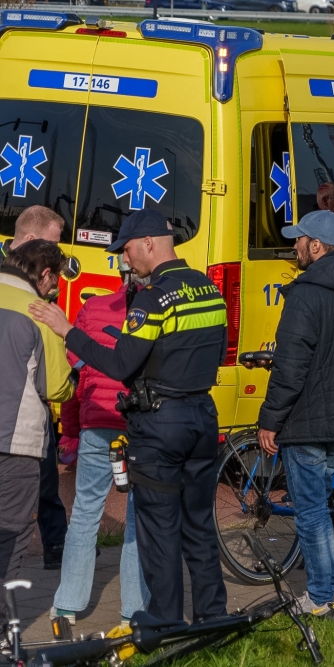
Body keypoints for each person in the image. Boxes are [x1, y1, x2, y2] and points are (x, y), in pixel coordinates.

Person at [30, 209, 229, 624]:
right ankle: (213, 617)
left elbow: (120, 364)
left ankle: (162, 623)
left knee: (155, 530)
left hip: (161, 424)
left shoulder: (155, 297)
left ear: (150, 243)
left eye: (128, 249)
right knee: (199, 526)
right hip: (202, 418)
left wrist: (69, 331)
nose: (125, 258)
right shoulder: (209, 289)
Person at [257, 210, 334, 620]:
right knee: (322, 504)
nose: (294, 247)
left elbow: (289, 368)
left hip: (308, 419)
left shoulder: (304, 295)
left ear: (316, 246)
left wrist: (270, 419)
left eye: (299, 240)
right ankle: (328, 589)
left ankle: (323, 596)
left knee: (310, 512)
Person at [50, 256, 150, 628]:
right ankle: (133, 610)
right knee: (139, 520)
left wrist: (71, 430)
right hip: (140, 425)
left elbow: (73, 378)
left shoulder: (92, 308)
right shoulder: (157, 312)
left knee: (86, 513)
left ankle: (66, 604)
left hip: (97, 423)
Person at [0, 240, 75, 627]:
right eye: (54, 281)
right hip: (14, 442)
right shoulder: (41, 312)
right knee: (11, 532)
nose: (54, 289)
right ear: (45, 274)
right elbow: (57, 388)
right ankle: (3, 626)